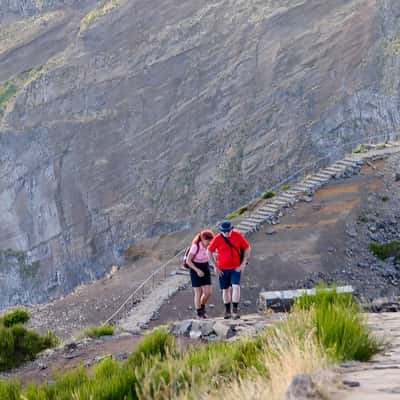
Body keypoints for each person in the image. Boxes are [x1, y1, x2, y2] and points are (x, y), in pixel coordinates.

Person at [207, 221, 251, 319]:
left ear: (232, 229)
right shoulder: (217, 239)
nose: (227, 233)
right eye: (225, 231)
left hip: (236, 267)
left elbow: (247, 248)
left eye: (229, 231)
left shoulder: (237, 235)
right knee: (225, 289)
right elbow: (209, 251)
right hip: (222, 268)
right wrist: (215, 266)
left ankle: (234, 310)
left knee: (236, 286)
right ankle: (227, 311)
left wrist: (243, 264)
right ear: (221, 231)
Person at [186, 229, 215, 318]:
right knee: (198, 291)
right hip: (195, 267)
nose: (209, 242)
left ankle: (202, 306)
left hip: (205, 266)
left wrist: (214, 265)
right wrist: (197, 270)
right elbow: (188, 261)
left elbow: (211, 255)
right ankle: (199, 312)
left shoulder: (210, 246)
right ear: (202, 239)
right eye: (207, 240)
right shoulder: (195, 246)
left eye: (211, 240)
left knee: (208, 292)